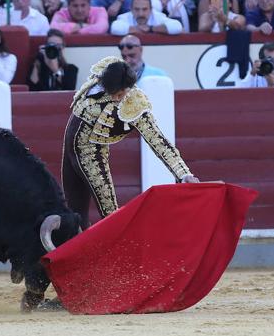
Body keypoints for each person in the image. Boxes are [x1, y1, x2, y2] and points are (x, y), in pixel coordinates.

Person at [62, 56, 199, 229]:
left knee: (109, 211)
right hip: (69, 147)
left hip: (91, 154)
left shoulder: (134, 104)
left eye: (121, 93)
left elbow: (158, 141)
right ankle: (76, 251)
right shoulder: (103, 73)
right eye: (115, 94)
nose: (119, 98)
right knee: (74, 207)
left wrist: (183, 173)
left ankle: (122, 252)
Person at [110, 0, 183, 36]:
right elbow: (115, 28)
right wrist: (138, 29)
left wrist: (151, 28)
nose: (140, 13)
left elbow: (177, 26)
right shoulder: (125, 17)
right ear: (131, 9)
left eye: (144, 9)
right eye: (136, 9)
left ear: (151, 9)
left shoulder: (157, 16)